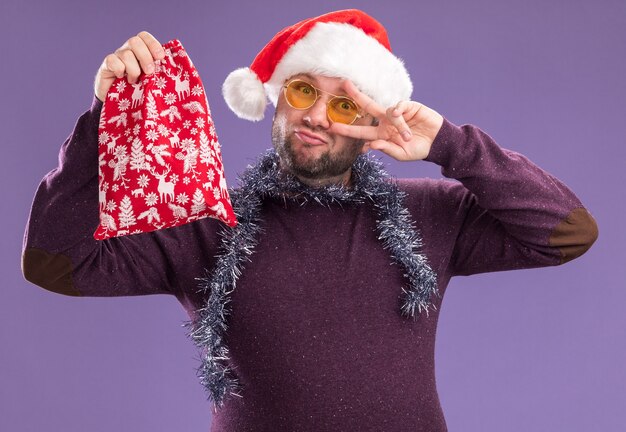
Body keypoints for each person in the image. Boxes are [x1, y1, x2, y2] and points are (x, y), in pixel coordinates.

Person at [21, 9, 598, 432]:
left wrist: (450, 144)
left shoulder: (431, 213)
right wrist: (107, 119)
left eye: (345, 104)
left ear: (372, 119)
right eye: (303, 90)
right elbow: (55, 263)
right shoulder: (205, 225)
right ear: (275, 97)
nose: (317, 117)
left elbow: (567, 232)